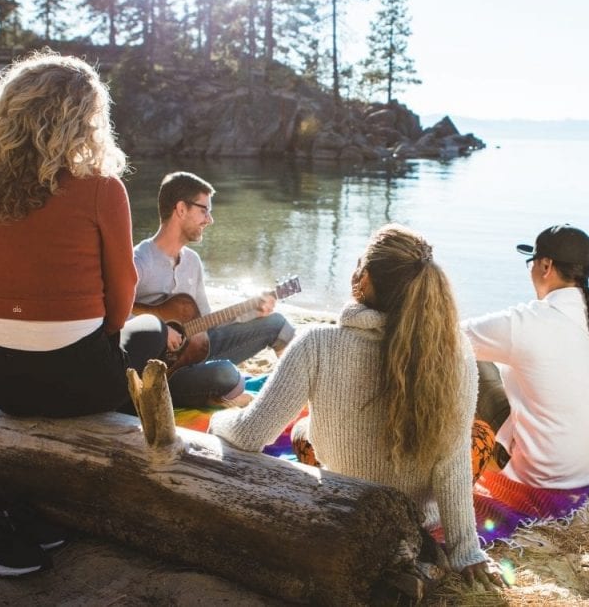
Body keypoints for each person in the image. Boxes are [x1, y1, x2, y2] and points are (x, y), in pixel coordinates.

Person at [0, 51, 170, 576]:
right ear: (85, 121)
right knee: (151, 329)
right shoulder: (101, 190)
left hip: (7, 385)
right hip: (84, 386)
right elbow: (122, 295)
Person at [208, 224, 504, 590]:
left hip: (346, 504)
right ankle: (415, 559)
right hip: (415, 518)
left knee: (302, 430)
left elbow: (250, 436)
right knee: (470, 436)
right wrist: (466, 551)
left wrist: (220, 421)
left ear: (362, 278)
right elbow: (452, 461)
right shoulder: (455, 354)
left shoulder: (316, 344)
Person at [462, 224, 589, 490]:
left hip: (538, 474)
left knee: (470, 357)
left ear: (546, 266)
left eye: (532, 262)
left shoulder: (525, 323)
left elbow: (447, 336)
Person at [132, 171, 294, 408]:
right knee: (226, 374)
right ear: (181, 209)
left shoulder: (192, 262)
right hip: (162, 375)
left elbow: (207, 322)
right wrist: (158, 330)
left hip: (197, 351)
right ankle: (215, 394)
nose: (210, 219)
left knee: (277, 324)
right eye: (204, 210)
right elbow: (110, 316)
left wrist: (252, 309)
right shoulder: (139, 261)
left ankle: (292, 397)